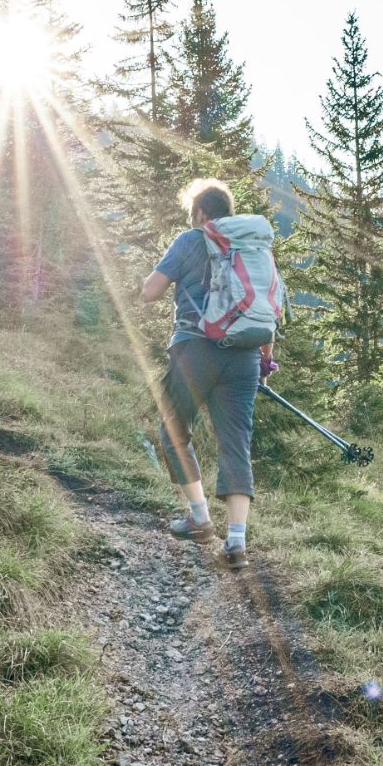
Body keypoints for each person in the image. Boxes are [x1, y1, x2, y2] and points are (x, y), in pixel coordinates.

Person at [139, 178, 276, 571]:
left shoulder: (189, 240)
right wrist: (264, 362)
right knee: (236, 442)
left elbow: (150, 292)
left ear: (200, 213)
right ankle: (236, 542)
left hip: (196, 350)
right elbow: (266, 308)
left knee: (173, 425)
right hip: (246, 355)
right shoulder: (251, 250)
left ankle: (199, 517)